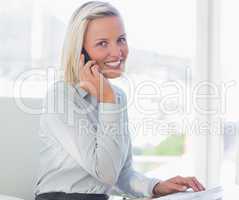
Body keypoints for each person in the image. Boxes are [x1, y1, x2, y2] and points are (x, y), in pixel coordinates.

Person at [34, 1, 205, 200]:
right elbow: (105, 173)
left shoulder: (115, 97)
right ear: (81, 52)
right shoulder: (62, 96)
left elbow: (120, 173)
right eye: (102, 43)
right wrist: (108, 100)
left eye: (121, 40)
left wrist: (156, 187)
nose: (117, 52)